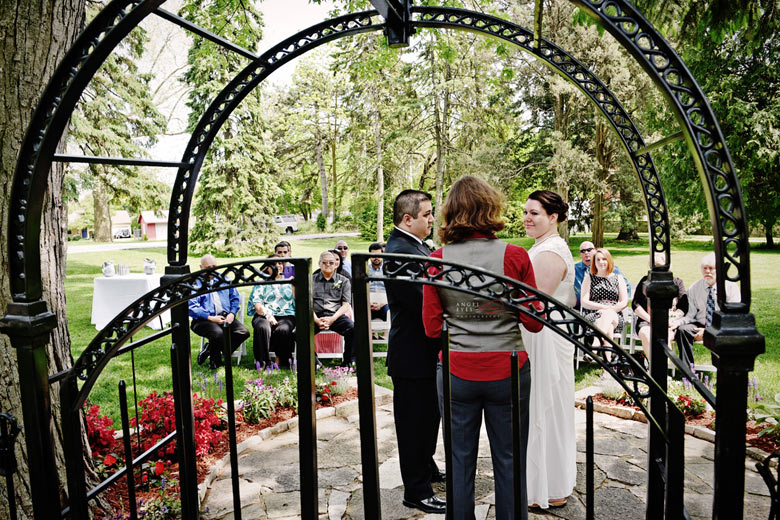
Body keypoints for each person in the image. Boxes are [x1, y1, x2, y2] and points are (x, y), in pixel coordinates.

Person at [423, 176, 543, 520]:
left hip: (457, 371)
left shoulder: (437, 259)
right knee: (509, 459)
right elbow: (535, 321)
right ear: (490, 208)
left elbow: (432, 328)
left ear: (451, 212)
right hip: (508, 370)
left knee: (460, 461)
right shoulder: (515, 256)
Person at [385, 189, 445, 514]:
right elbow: (424, 302)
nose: (432, 219)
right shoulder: (399, 253)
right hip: (411, 355)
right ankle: (416, 490)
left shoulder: (416, 247)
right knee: (413, 425)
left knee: (428, 418)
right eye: (427, 214)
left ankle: (427, 468)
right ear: (407, 219)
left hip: (424, 353)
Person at [521, 190, 577, 510]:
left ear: (553, 217)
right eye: (526, 212)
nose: (527, 217)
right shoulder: (543, 246)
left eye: (535, 213)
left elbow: (533, 304)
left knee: (547, 409)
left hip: (546, 339)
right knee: (541, 409)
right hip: (541, 336)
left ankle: (549, 487)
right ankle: (543, 483)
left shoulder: (551, 251)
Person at [670, 252, 739, 366]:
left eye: (711, 268)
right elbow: (690, 315)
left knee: (721, 335)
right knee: (683, 330)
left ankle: (721, 369)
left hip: (722, 326)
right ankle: (688, 371)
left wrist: (708, 332)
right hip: (700, 323)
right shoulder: (694, 288)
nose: (707, 271)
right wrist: (676, 323)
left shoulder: (731, 288)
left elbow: (732, 318)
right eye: (704, 268)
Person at [189, 254, 250, 370]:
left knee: (243, 332)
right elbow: (191, 307)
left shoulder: (225, 280)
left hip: (225, 316)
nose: (212, 270)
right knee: (218, 334)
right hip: (203, 319)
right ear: (201, 268)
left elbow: (235, 298)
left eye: (214, 266)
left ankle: (209, 348)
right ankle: (215, 362)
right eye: (208, 268)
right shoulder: (196, 283)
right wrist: (210, 318)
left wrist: (232, 313)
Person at [632, 252, 688, 360]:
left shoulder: (677, 282)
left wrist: (673, 319)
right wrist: (651, 319)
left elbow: (683, 306)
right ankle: (654, 370)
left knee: (664, 338)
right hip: (646, 321)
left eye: (660, 265)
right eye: (655, 266)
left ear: (667, 266)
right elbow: (636, 304)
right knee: (647, 335)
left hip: (669, 323)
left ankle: (660, 371)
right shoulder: (644, 281)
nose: (657, 269)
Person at [247, 254, 296, 368]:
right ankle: (263, 362)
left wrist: (294, 286)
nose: (277, 266)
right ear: (267, 267)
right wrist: (268, 315)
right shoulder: (262, 281)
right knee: (262, 327)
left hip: (286, 314)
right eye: (273, 264)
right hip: (263, 314)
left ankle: (282, 360)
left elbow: (297, 300)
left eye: (279, 263)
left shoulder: (289, 280)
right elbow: (257, 304)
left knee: (283, 329)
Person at [313, 251, 355, 366]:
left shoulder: (344, 281)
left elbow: (346, 304)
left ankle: (347, 363)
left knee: (353, 329)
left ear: (336, 264)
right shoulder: (311, 280)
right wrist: (316, 320)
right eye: (324, 262)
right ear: (319, 263)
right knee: (299, 333)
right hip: (316, 316)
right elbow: (307, 304)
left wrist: (332, 319)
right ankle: (314, 362)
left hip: (336, 315)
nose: (328, 265)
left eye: (331, 262)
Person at [580, 248, 629, 344]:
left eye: (604, 259)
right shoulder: (589, 278)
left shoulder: (618, 278)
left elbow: (624, 302)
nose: (601, 262)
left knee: (607, 316)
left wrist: (610, 310)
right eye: (597, 260)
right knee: (608, 328)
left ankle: (593, 351)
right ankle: (608, 358)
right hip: (594, 314)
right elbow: (584, 301)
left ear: (609, 260)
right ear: (594, 262)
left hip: (614, 314)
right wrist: (604, 308)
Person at [574, 240, 631, 308]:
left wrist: (617, 306)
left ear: (594, 251)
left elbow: (626, 288)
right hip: (585, 307)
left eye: (589, 250)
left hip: (613, 307)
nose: (586, 253)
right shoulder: (574, 270)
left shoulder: (613, 270)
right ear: (580, 254)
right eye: (583, 251)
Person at [368, 242, 389, 322]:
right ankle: (370, 335)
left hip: (384, 303)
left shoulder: (388, 270)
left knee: (390, 313)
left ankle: (385, 334)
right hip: (369, 303)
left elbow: (392, 291)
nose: (376, 258)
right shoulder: (365, 270)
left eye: (379, 255)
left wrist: (382, 303)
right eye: (373, 255)